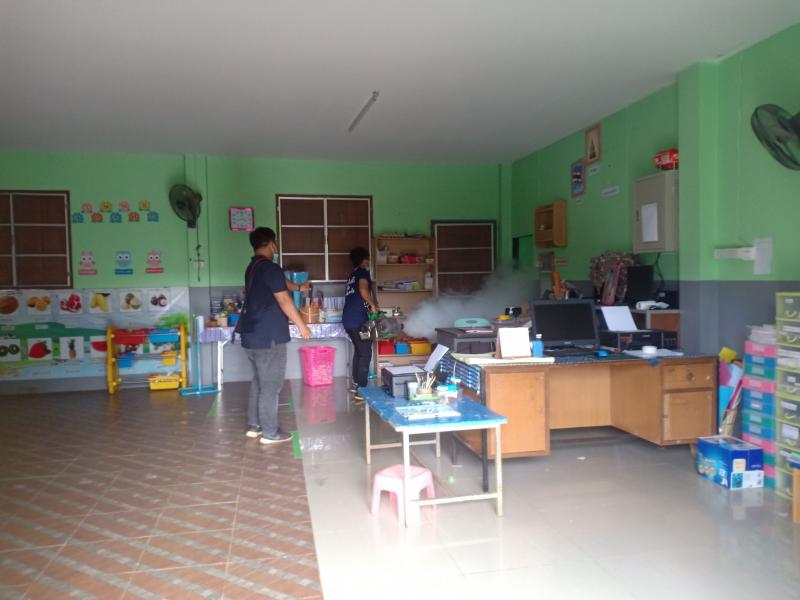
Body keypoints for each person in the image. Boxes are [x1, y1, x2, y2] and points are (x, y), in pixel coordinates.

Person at [238, 227, 312, 444]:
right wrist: (302, 325)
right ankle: (270, 433)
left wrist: (298, 287)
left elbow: (281, 283)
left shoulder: (254, 267)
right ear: (272, 244)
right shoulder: (270, 268)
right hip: (268, 337)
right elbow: (284, 299)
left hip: (251, 336)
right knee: (270, 386)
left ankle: (255, 425)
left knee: (259, 382)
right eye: (275, 242)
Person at [343, 247, 378, 401]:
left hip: (348, 320)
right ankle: (362, 391)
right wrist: (373, 305)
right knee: (365, 353)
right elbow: (363, 289)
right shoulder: (363, 272)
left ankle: (357, 384)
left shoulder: (352, 275)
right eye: (367, 259)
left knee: (359, 351)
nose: (368, 262)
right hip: (359, 320)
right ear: (364, 259)